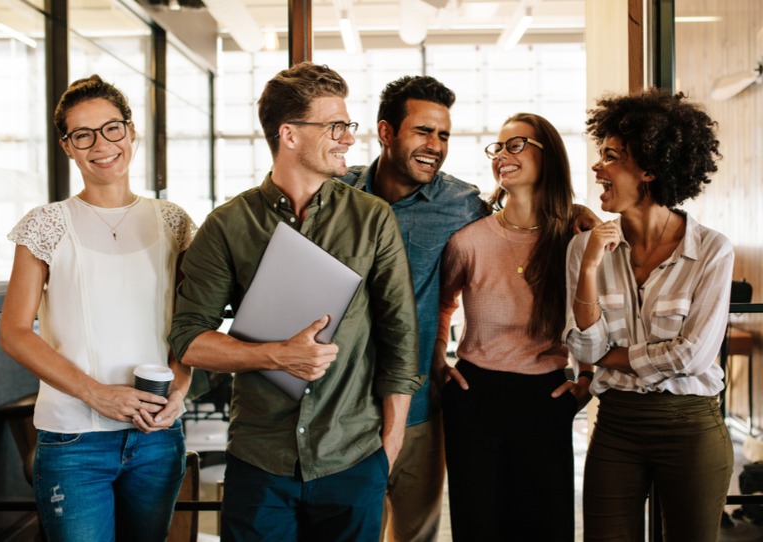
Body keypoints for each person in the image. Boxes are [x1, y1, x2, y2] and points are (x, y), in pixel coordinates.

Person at [167, 62, 421, 542]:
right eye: (335, 126)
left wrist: (391, 441)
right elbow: (188, 341)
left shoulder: (372, 219)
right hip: (260, 459)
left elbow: (400, 337)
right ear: (289, 134)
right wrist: (276, 355)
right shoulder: (228, 225)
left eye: (348, 125)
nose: (348, 137)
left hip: (352, 454)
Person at [0, 75, 194, 541]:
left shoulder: (174, 221)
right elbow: (14, 332)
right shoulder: (45, 224)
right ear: (68, 147)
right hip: (73, 440)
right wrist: (96, 393)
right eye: (82, 135)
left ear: (130, 133)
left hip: (156, 436)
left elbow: (192, 324)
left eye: (111, 128)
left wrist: (179, 391)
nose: (100, 145)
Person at [563, 88, 734, 542]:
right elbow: (582, 347)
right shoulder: (585, 247)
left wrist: (610, 356)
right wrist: (590, 266)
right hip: (615, 423)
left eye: (612, 156)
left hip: (690, 426)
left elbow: (692, 357)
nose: (598, 167)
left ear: (651, 169)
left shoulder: (712, 251)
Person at [340, 75, 491, 542]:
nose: (436, 145)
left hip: (421, 404)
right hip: (340, 407)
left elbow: (525, 224)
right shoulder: (336, 193)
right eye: (423, 131)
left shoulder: (461, 204)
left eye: (443, 134)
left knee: (415, 534)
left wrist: (579, 219)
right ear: (386, 132)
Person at [432, 112, 594, 541]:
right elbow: (442, 304)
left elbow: (603, 316)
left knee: (547, 526)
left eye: (516, 144)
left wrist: (591, 377)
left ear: (549, 156)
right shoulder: (469, 240)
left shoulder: (574, 237)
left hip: (545, 395)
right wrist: (437, 364)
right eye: (498, 148)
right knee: (478, 526)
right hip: (474, 395)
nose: (503, 155)